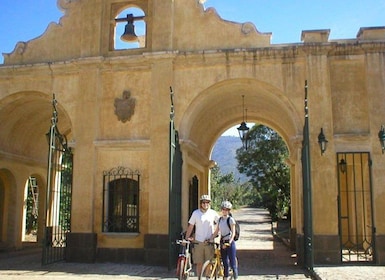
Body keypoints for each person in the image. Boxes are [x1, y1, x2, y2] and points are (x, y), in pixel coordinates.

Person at [185, 194, 219, 278]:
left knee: (209, 262)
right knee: (199, 262)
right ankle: (199, 277)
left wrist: (216, 235)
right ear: (201, 203)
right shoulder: (196, 213)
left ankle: (207, 277)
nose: (205, 204)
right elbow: (191, 226)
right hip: (198, 241)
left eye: (207, 202)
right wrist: (186, 238)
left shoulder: (213, 213)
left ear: (209, 203)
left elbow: (220, 224)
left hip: (209, 242)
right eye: (203, 202)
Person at [211, 200, 238, 280]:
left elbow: (233, 233)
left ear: (229, 211)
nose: (225, 211)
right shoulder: (219, 220)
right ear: (221, 210)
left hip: (229, 242)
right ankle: (225, 277)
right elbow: (216, 232)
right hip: (222, 242)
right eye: (223, 209)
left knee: (232, 263)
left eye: (227, 210)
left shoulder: (231, 220)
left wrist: (230, 241)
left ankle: (236, 277)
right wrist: (210, 238)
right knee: (225, 262)